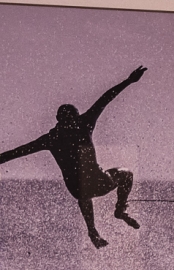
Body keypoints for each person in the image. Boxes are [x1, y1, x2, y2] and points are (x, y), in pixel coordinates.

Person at [0, 66, 149, 248]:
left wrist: (128, 81)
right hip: (96, 181)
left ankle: (96, 228)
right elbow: (105, 99)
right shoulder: (82, 124)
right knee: (122, 175)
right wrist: (128, 81)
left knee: (87, 187)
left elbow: (16, 152)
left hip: (81, 187)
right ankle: (118, 211)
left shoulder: (52, 138)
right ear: (68, 118)